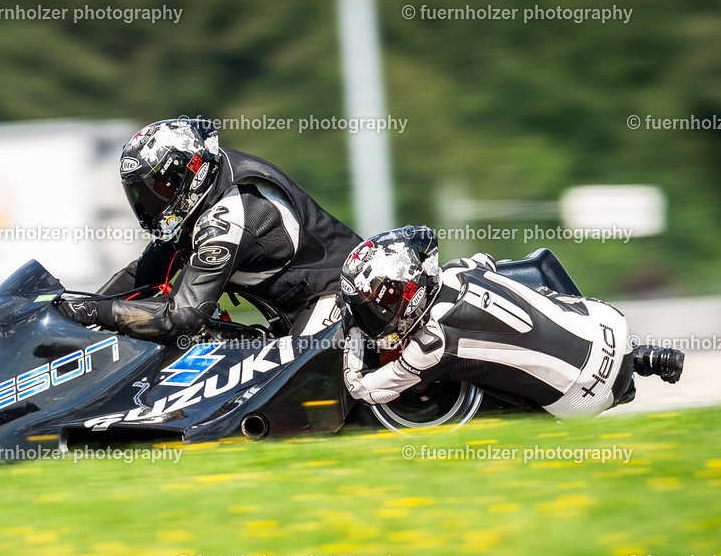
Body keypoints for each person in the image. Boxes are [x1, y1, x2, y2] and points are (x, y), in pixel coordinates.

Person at [58, 118, 362, 342]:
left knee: (298, 390)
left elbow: (182, 316)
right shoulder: (199, 191)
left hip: (339, 295)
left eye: (159, 189)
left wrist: (95, 312)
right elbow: (143, 276)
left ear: (190, 174)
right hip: (290, 309)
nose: (150, 202)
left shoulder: (228, 217)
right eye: (141, 194)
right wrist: (77, 312)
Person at [340, 226, 684, 420]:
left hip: (582, 401)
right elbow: (484, 260)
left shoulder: (432, 345)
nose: (375, 313)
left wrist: (353, 333)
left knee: (475, 374)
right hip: (611, 323)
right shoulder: (460, 269)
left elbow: (364, 389)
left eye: (381, 301)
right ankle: (641, 358)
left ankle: (622, 379)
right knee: (511, 284)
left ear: (411, 286)